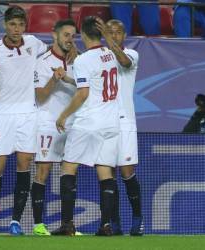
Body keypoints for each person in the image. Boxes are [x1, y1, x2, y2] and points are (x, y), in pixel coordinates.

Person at [52, 16, 129, 236]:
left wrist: (63, 115)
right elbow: (95, 83)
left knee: (68, 168)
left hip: (89, 122)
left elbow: (84, 93)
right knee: (105, 172)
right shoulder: (110, 54)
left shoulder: (83, 60)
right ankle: (106, 225)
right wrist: (68, 78)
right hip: (111, 123)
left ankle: (67, 224)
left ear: (83, 35)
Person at [0, 5, 48, 236]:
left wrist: (70, 53)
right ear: (5, 24)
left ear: (25, 26)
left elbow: (53, 52)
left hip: (28, 114)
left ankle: (16, 221)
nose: (16, 29)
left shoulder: (34, 43)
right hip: (3, 115)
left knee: (24, 164)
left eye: (20, 24)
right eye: (12, 24)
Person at [31, 19, 77, 236]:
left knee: (69, 173)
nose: (70, 39)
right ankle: (39, 225)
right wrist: (54, 79)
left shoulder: (79, 61)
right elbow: (39, 96)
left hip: (72, 125)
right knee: (43, 171)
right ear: (54, 35)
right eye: (66, 34)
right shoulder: (42, 61)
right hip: (48, 123)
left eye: (73, 35)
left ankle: (68, 225)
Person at [97, 19, 143, 236]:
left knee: (126, 172)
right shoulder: (99, 58)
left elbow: (123, 62)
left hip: (125, 121)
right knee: (108, 175)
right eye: (109, 32)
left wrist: (106, 39)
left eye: (117, 32)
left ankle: (137, 218)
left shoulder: (132, 54)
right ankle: (113, 222)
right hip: (104, 122)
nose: (114, 36)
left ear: (124, 35)